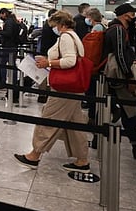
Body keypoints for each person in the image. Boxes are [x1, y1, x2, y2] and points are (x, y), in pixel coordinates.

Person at [14, 10, 91, 172]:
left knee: (48, 119)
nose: (53, 29)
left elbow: (70, 61)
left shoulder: (65, 37)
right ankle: (82, 160)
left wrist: (48, 62)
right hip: (73, 88)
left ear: (61, 25)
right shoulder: (74, 36)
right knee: (75, 124)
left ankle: (34, 155)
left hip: (65, 88)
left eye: (55, 26)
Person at [103, 3, 136, 160]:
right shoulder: (118, 30)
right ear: (125, 15)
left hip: (120, 73)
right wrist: (128, 77)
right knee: (129, 108)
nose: (134, 17)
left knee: (127, 108)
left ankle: (135, 144)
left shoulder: (120, 29)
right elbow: (120, 54)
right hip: (120, 74)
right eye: (132, 14)